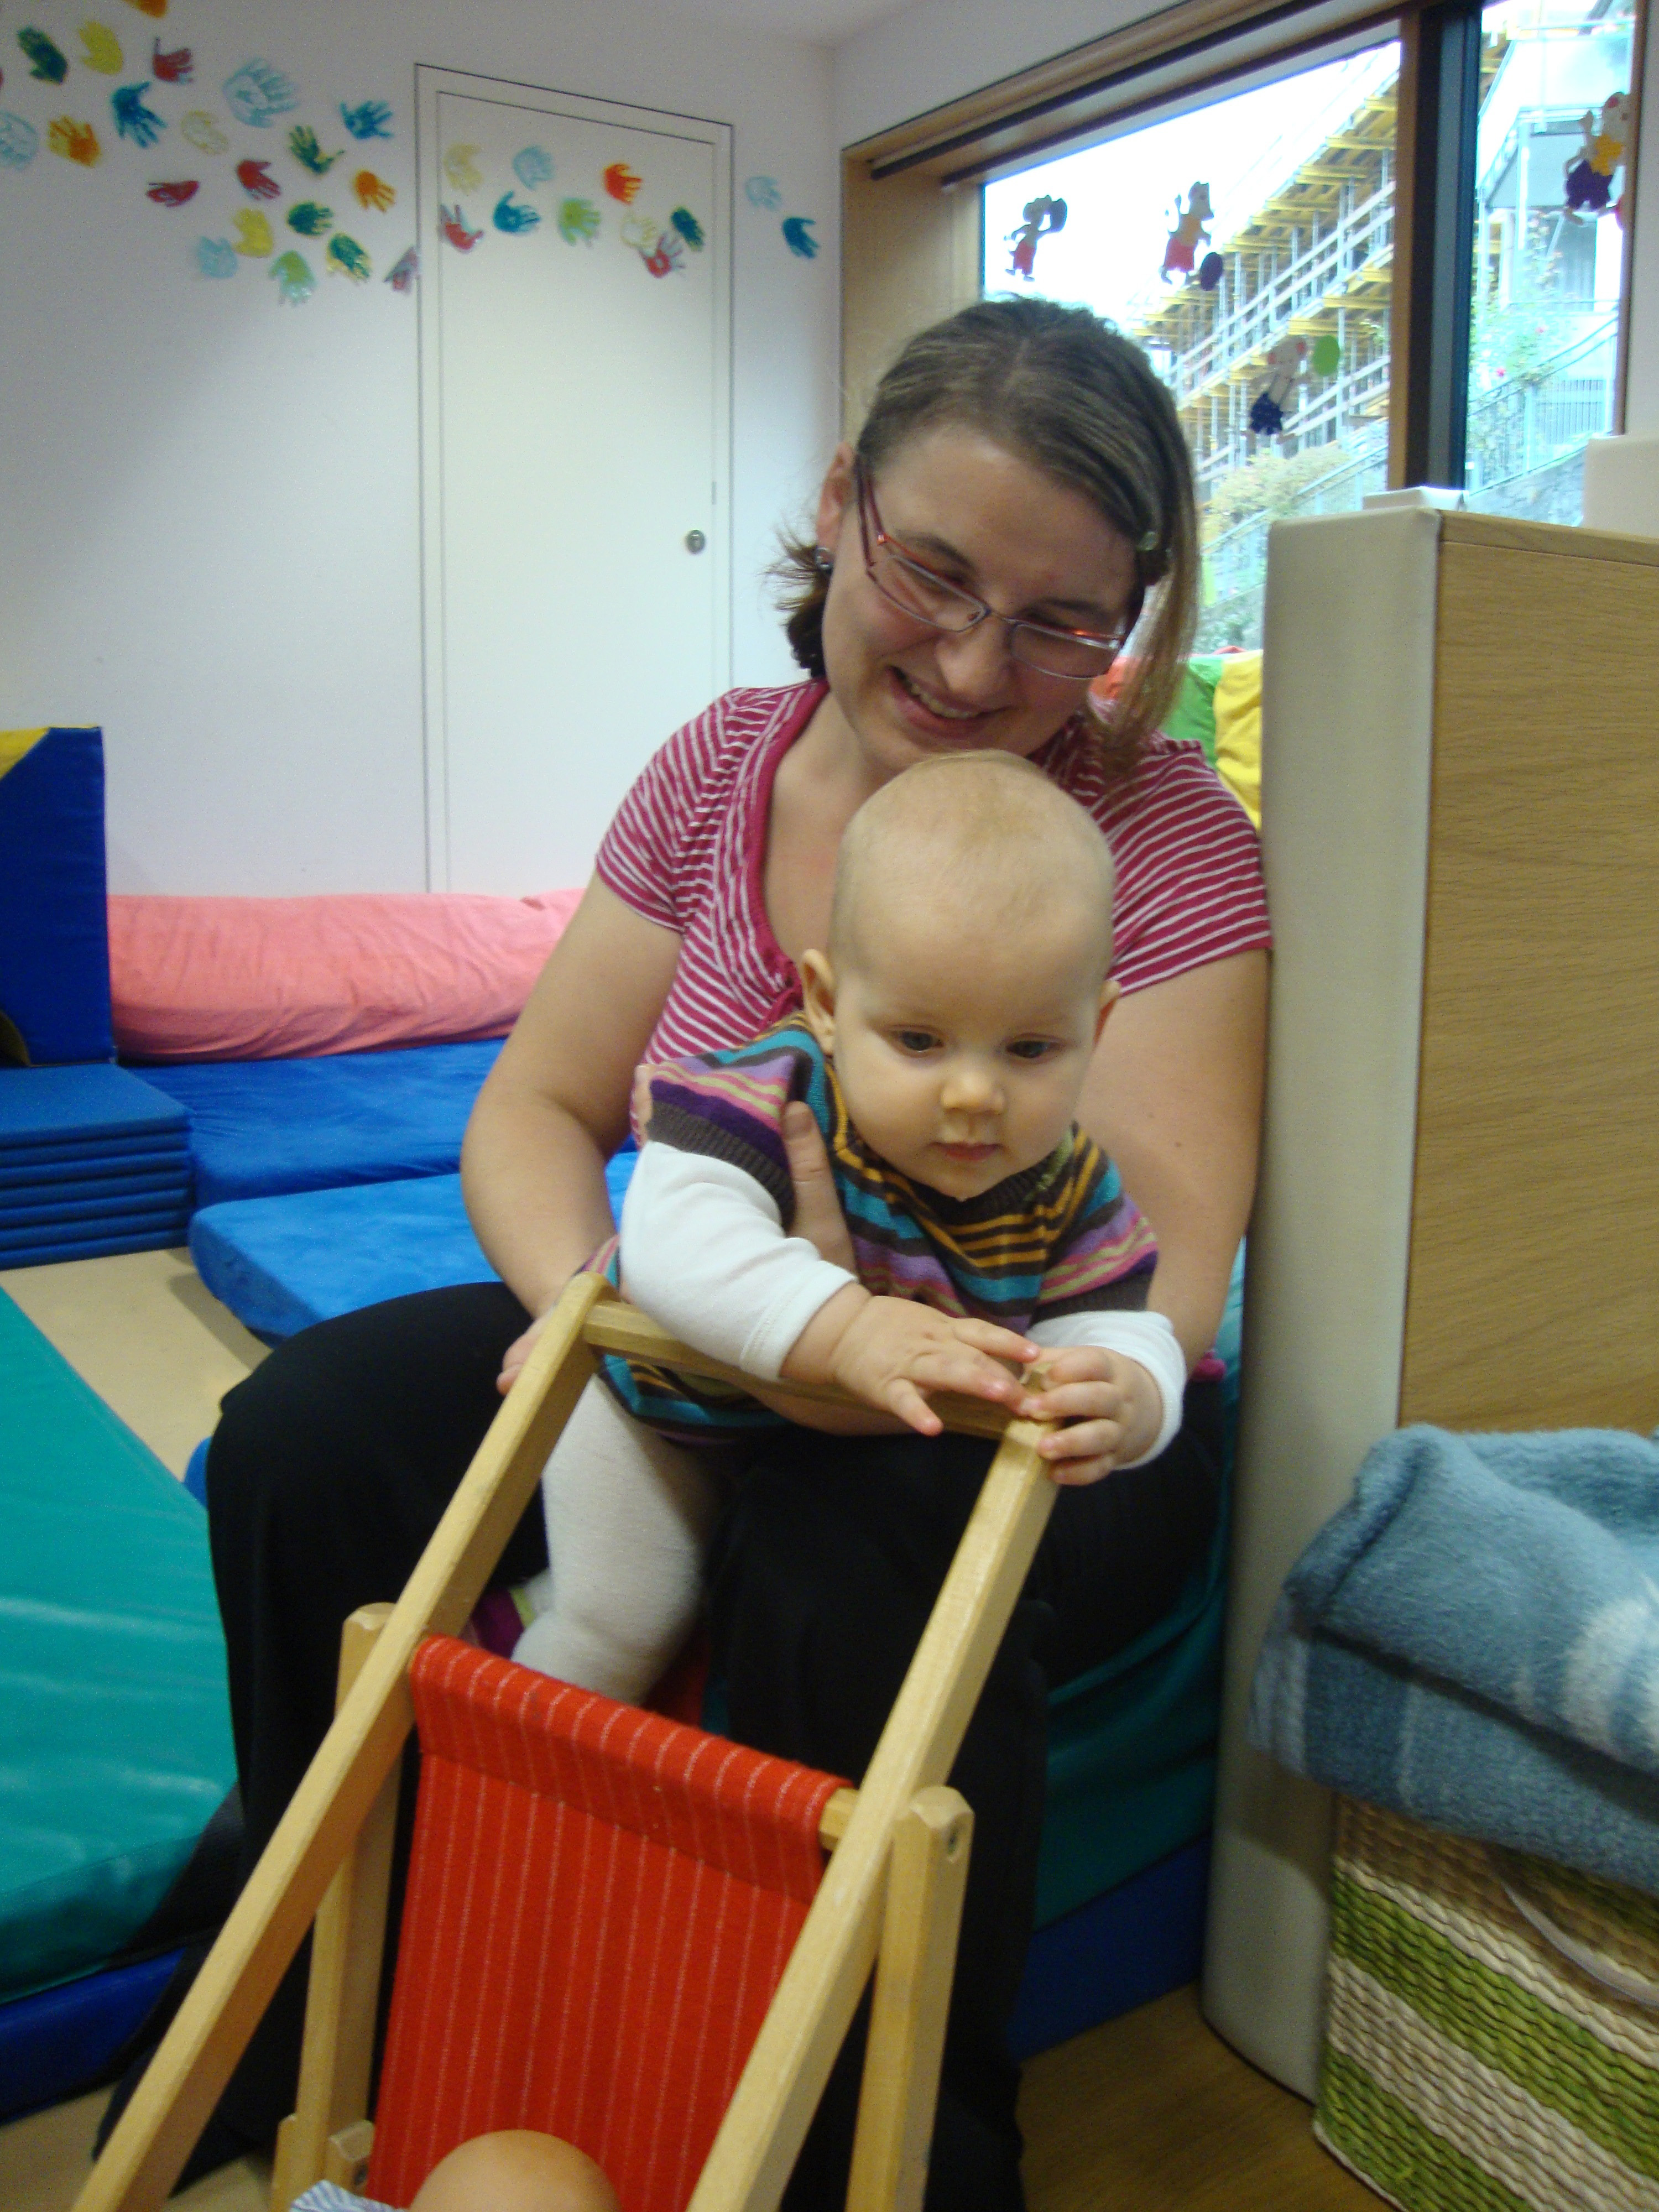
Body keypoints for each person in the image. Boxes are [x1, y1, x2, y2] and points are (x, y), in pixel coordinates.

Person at [122, 296, 1269, 2201]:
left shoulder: (1165, 838)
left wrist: (830, 1341)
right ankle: (330, 1963)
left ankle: (895, 2138)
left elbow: (1141, 1282)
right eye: (934, 573)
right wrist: (609, 1297)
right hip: (721, 1315)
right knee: (309, 1433)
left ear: (1128, 621)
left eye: (1061, 622)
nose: (975, 664)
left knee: (849, 1537)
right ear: (841, 503)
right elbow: (536, 1106)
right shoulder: (719, 766)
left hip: (1027, 1398)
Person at [516, 750, 1190, 1705]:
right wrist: (846, 1328)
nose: (974, 1094)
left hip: (844, 1456)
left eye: (1031, 1048)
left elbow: (1117, 1322)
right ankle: (539, 1716)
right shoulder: (772, 1088)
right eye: (918, 1041)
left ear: (1097, 1029)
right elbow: (674, 1237)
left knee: (833, 1566)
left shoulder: (1068, 1180)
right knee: (624, 1623)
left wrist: (1134, 1395)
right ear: (828, 1006)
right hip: (666, 1418)